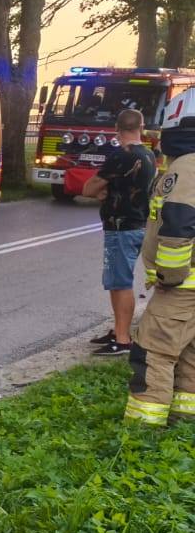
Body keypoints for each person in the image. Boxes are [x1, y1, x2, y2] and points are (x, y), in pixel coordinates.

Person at [124, 91, 195, 427]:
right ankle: (184, 421)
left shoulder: (187, 167)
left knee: (152, 352)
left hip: (182, 288)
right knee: (190, 354)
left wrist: (168, 274)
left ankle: (142, 432)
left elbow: (179, 223)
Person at [82, 109, 157, 355]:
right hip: (139, 224)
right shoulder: (149, 155)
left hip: (120, 227)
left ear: (117, 128)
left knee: (120, 283)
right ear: (141, 126)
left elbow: (89, 188)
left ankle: (122, 340)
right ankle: (118, 330)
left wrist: (102, 192)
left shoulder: (120, 156)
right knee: (119, 281)